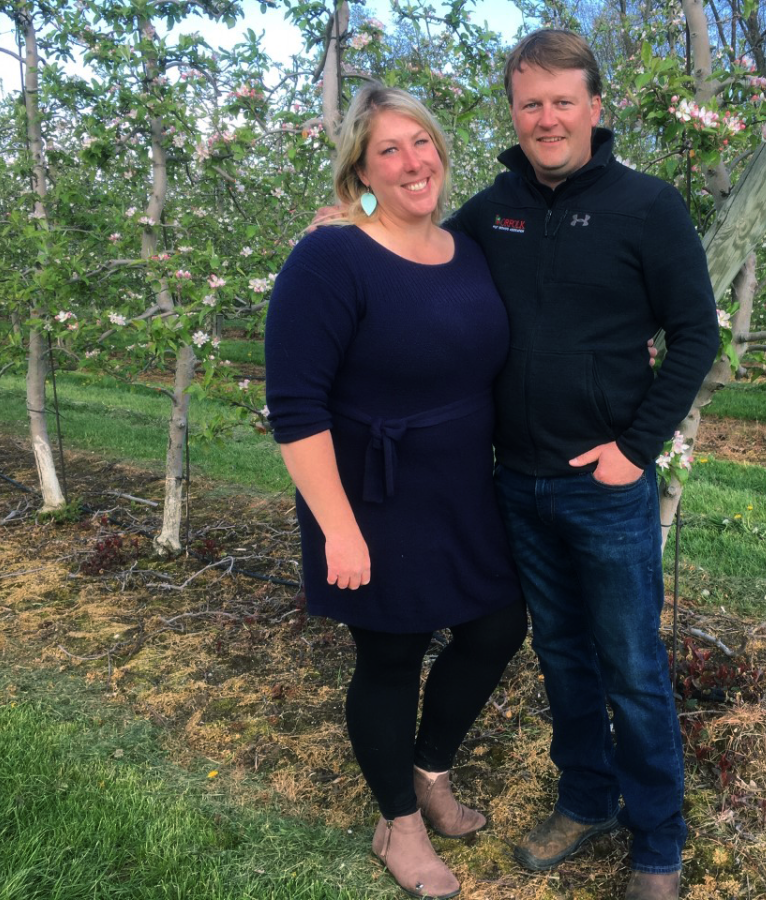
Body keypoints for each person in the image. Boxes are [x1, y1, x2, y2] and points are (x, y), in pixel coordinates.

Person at [445, 29, 719, 900]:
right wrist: (356, 222)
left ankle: (659, 843)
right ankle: (586, 797)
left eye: (564, 101)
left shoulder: (649, 205)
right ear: (514, 112)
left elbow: (696, 337)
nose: (547, 117)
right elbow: (414, 258)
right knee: (562, 656)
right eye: (531, 103)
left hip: (605, 486)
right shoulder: (491, 211)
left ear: (596, 109)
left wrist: (633, 452)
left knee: (632, 667)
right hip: (516, 483)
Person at [264, 84, 528, 900]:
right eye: (390, 150)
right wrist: (337, 528)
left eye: (423, 143)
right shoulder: (330, 257)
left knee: (495, 629)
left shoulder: (469, 248)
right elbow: (296, 407)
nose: (414, 163)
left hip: (461, 488)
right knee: (391, 656)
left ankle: (428, 770)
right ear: (361, 169)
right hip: (370, 494)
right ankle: (397, 824)